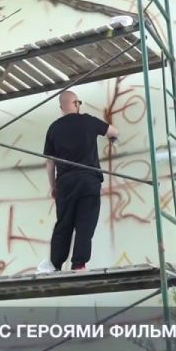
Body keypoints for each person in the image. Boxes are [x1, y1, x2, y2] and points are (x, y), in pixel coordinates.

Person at [37, 90, 118, 273]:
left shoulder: (53, 128)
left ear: (61, 107)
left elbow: (50, 163)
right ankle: (79, 264)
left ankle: (55, 264)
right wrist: (113, 138)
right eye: (78, 103)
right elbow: (114, 131)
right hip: (89, 180)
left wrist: (53, 187)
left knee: (64, 224)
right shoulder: (88, 121)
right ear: (75, 103)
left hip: (65, 183)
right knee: (85, 223)